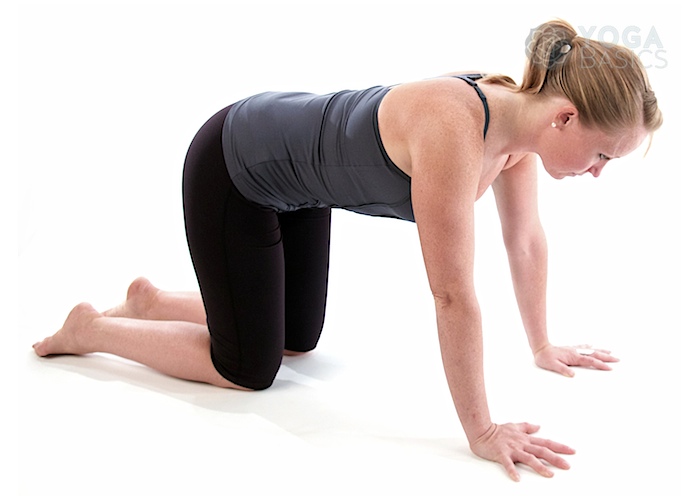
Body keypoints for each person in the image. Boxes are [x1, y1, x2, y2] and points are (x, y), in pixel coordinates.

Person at [32, 19, 662, 481]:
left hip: (299, 187)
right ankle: (93, 328)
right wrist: (482, 430)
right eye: (604, 154)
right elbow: (452, 296)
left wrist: (542, 343)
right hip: (235, 166)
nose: (600, 171)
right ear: (565, 117)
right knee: (248, 369)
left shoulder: (517, 136)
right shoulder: (456, 127)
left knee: (297, 336)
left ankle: (150, 300)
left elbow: (523, 241)